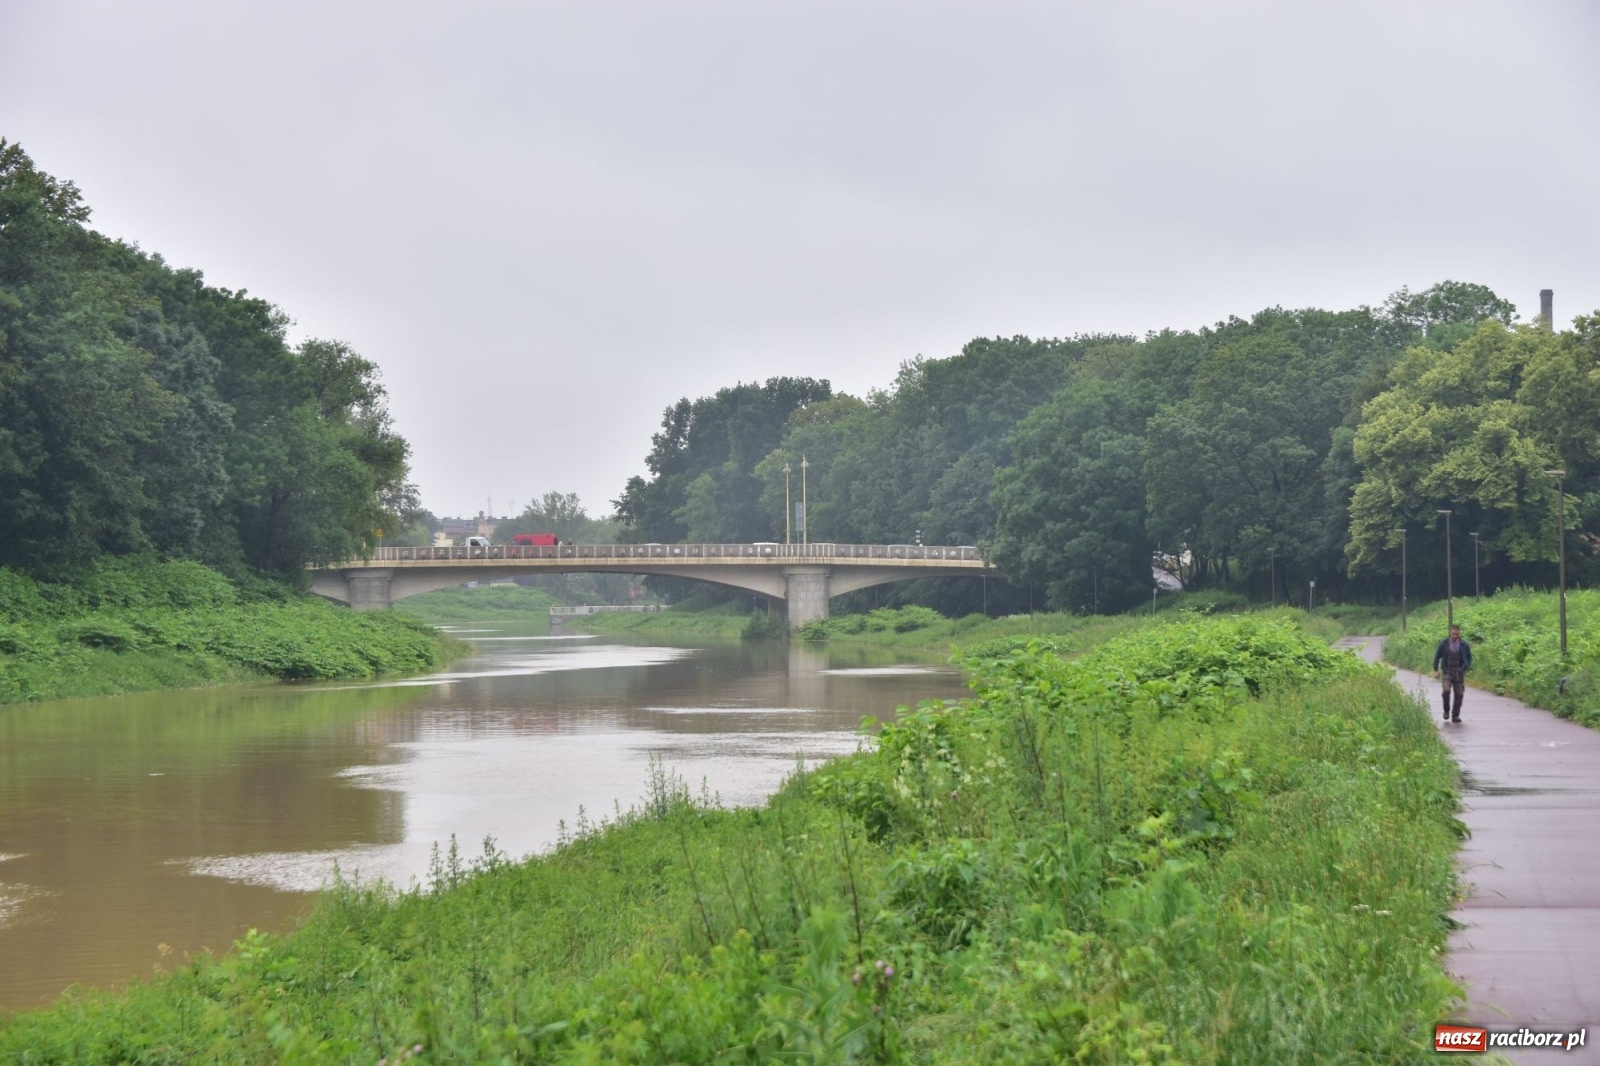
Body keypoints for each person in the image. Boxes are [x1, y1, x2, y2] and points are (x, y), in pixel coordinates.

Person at [1432, 623, 1472, 723]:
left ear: (1459, 634)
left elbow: (1469, 658)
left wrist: (1464, 667)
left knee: (1459, 694)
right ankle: (1446, 710)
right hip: (1447, 671)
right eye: (1453, 634)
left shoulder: (1464, 645)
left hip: (1459, 672)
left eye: (1457, 635)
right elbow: (1437, 656)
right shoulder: (1444, 643)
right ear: (1450, 633)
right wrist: (1436, 669)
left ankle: (1455, 716)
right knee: (1446, 691)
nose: (1455, 636)